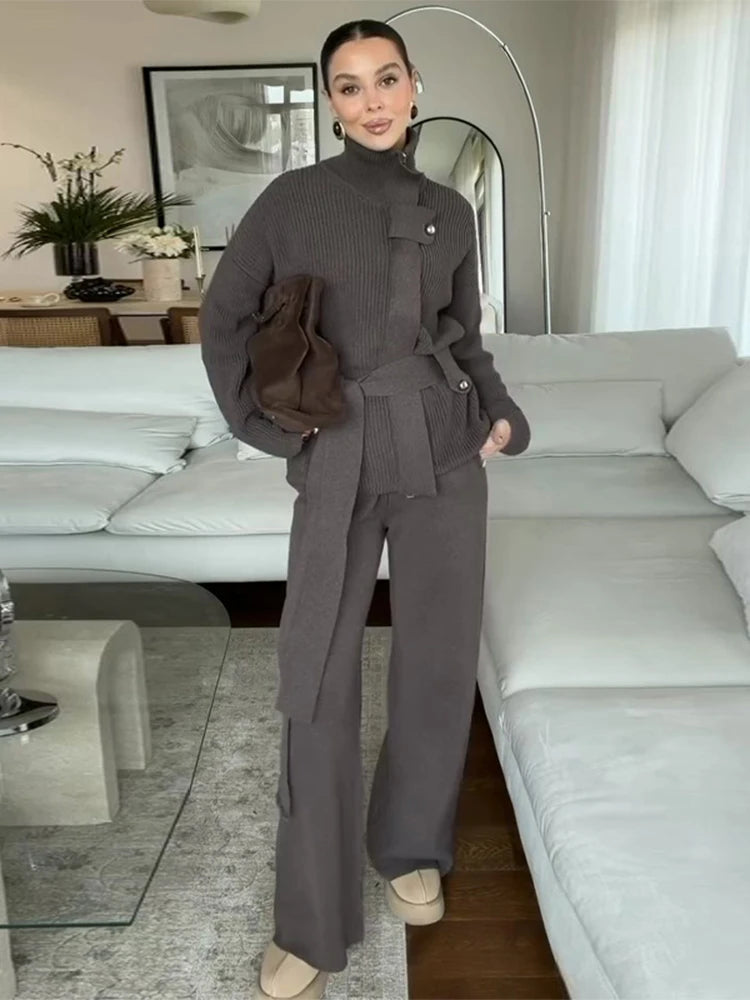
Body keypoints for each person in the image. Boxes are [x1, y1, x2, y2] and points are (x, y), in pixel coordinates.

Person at [199, 18, 531, 1000]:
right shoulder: (291, 202)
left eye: (387, 78)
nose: (373, 100)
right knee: (317, 678)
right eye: (350, 86)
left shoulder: (452, 209)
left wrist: (500, 411)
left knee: (437, 662)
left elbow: (466, 336)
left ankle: (410, 846)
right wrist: (271, 430)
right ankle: (310, 915)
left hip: (446, 449)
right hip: (339, 450)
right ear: (331, 102)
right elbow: (223, 321)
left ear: (414, 84)